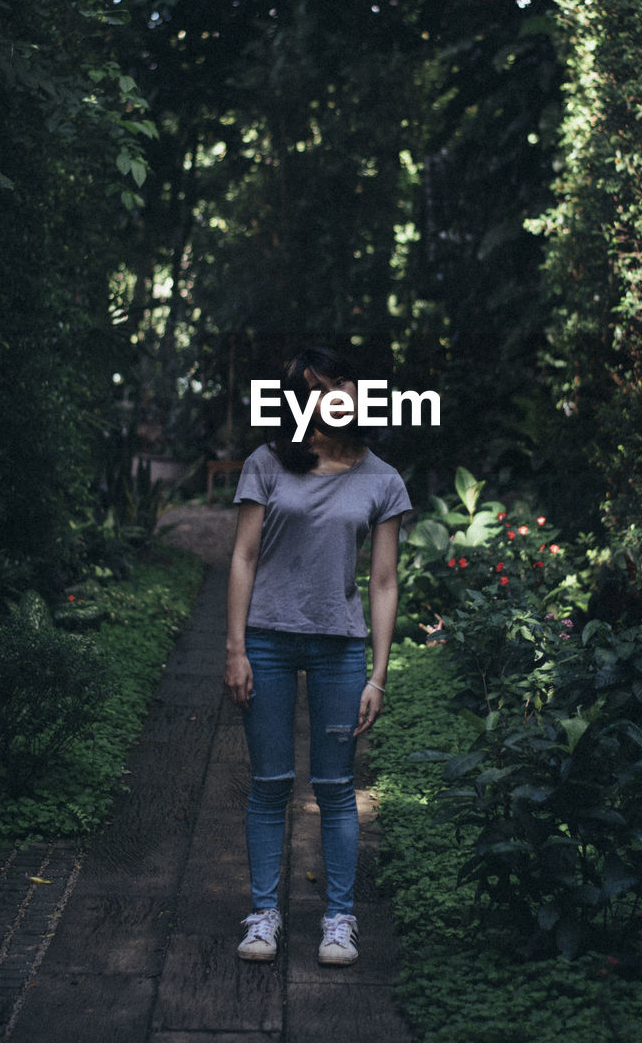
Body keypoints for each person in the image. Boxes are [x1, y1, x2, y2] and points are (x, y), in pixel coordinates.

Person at [223, 345, 411, 966]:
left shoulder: (383, 478)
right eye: (316, 387)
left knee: (335, 788)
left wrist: (378, 676)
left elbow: (384, 582)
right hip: (268, 641)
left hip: (340, 649)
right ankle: (263, 915)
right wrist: (235, 648)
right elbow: (244, 557)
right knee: (270, 784)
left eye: (341, 385)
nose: (333, 396)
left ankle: (338, 919)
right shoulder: (267, 463)